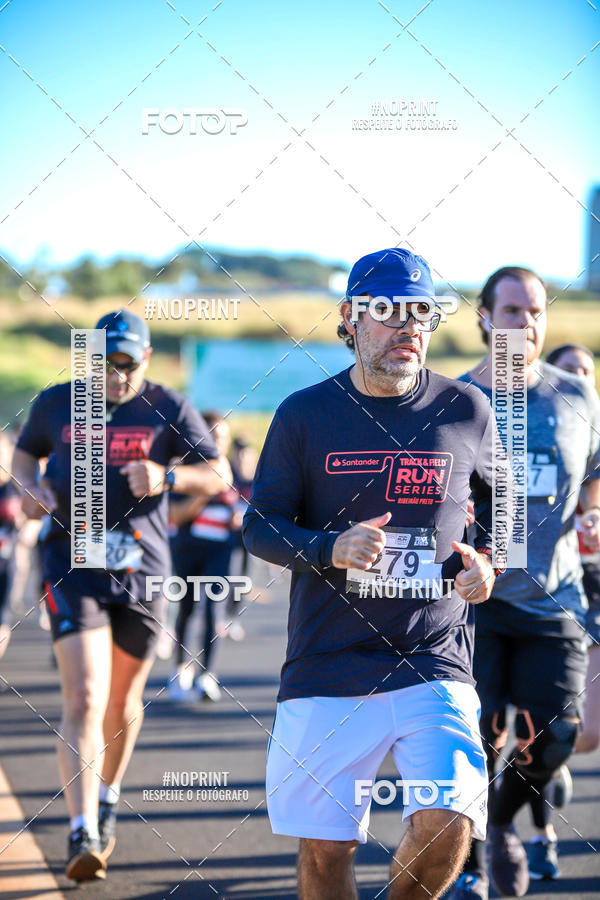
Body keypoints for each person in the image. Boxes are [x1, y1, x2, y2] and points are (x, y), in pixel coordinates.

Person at [243, 248, 502, 900]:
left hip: (433, 659)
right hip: (328, 662)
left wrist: (487, 562)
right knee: (326, 850)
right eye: (388, 311)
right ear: (350, 318)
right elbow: (260, 526)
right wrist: (329, 547)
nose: (408, 325)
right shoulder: (304, 414)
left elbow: (505, 509)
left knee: (448, 822)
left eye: (422, 312)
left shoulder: (466, 409)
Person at [12, 309, 230, 882]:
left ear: (147, 359)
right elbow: (24, 453)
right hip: (72, 564)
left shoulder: (169, 407)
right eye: (102, 364)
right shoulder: (57, 403)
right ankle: (82, 827)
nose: (114, 375)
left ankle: (107, 798)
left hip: (142, 572)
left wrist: (167, 477)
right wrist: (28, 488)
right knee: (85, 697)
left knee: (122, 702)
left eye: (126, 364)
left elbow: (218, 471)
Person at [450, 270, 600, 899]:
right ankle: (471, 865)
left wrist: (592, 510)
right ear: (484, 318)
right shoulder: (455, 400)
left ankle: (499, 822)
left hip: (555, 599)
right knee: (473, 743)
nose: (525, 322)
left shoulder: (577, 395)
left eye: (535, 311)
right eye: (511, 310)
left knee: (557, 738)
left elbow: (593, 475)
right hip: (473, 607)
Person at [168, 412, 240, 701]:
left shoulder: (235, 473)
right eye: (212, 436)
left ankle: (207, 674)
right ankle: (180, 670)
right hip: (187, 548)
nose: (218, 442)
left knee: (214, 611)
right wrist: (206, 490)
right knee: (186, 609)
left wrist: (240, 517)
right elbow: (174, 515)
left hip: (220, 551)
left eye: (222, 437)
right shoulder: (185, 470)